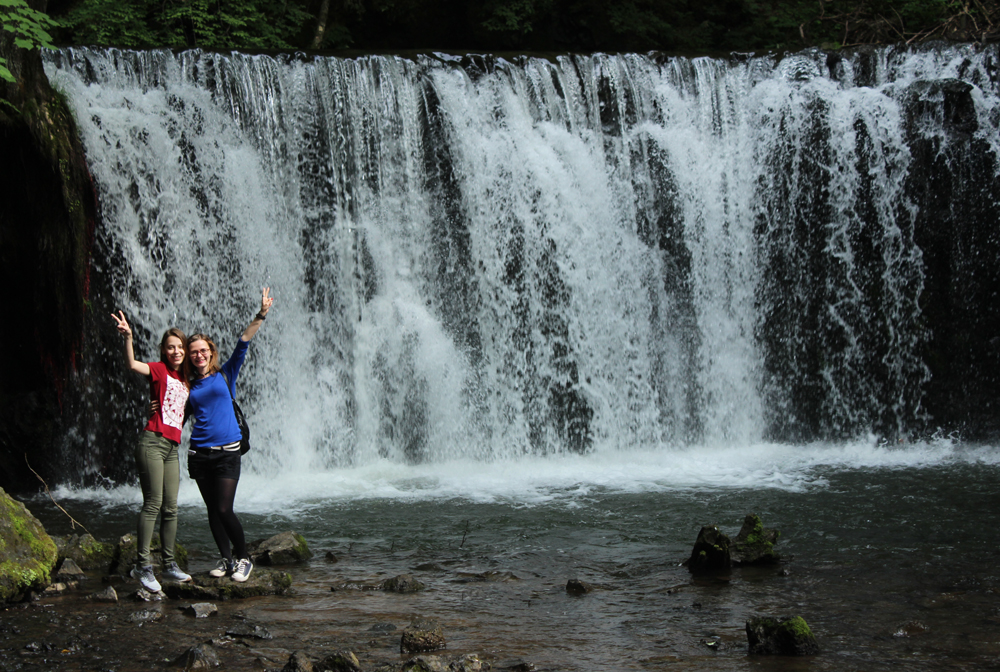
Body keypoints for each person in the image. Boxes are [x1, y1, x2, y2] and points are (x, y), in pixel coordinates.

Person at [185, 288, 274, 582]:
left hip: (227, 452)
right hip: (199, 454)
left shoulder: (226, 373)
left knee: (224, 508)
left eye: (203, 350)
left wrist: (260, 314)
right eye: (193, 351)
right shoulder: (187, 386)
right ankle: (225, 559)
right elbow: (178, 415)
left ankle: (244, 558)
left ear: (210, 352)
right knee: (212, 510)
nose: (198, 355)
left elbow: (243, 341)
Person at [110, 312, 194, 593]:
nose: (176, 351)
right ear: (163, 350)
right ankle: (143, 566)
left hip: (172, 447)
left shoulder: (187, 380)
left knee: (171, 507)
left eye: (180, 347)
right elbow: (133, 364)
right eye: (171, 347)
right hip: (152, 442)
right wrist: (129, 338)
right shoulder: (159, 369)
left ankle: (169, 565)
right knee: (153, 503)